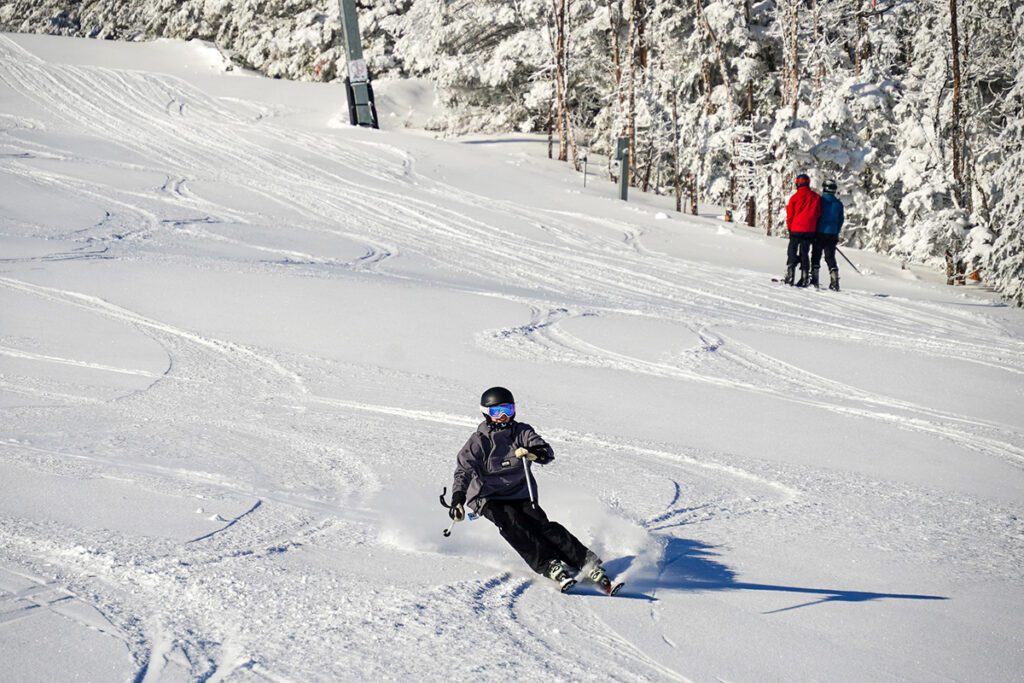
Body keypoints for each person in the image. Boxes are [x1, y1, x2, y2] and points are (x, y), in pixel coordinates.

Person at [447, 386, 615, 593]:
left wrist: (534, 453)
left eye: (507, 410)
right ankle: (549, 564)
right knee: (512, 524)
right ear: (485, 413)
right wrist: (458, 498)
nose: (502, 417)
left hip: (519, 491)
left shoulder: (521, 431)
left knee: (542, 526)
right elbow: (464, 469)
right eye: (496, 412)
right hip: (488, 496)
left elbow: (546, 452)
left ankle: (586, 562)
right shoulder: (479, 441)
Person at [784, 173, 821, 287]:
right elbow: (818, 214)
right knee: (805, 252)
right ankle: (805, 276)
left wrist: (790, 227)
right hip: (809, 230)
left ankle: (790, 273)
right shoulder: (816, 197)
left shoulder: (795, 198)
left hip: (796, 228)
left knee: (792, 250)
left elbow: (790, 215)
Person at [812, 178, 845, 291]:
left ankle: (814, 279)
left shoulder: (820, 201)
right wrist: (836, 231)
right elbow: (840, 220)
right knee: (830, 257)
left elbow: (815, 216)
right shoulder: (838, 204)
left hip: (819, 232)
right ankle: (834, 278)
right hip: (832, 233)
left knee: (816, 255)